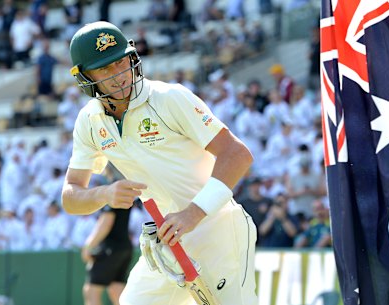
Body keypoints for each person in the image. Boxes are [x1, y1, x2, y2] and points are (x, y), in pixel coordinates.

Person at [62, 21, 258, 305]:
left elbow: (238, 155)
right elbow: (71, 196)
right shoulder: (89, 121)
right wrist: (104, 193)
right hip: (168, 242)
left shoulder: (168, 98)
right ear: (84, 77)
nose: (119, 76)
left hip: (219, 232)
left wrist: (192, 213)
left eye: (120, 62)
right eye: (105, 69)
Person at [81, 198, 133, 305]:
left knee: (91, 291)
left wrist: (88, 247)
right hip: (125, 247)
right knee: (116, 290)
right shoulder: (124, 189)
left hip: (109, 249)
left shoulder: (113, 188)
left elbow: (106, 223)